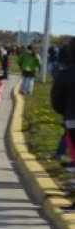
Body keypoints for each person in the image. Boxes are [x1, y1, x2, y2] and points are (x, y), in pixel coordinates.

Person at [51, 38, 75, 167]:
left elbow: (56, 99)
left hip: (71, 116)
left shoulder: (64, 74)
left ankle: (61, 155)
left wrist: (65, 112)